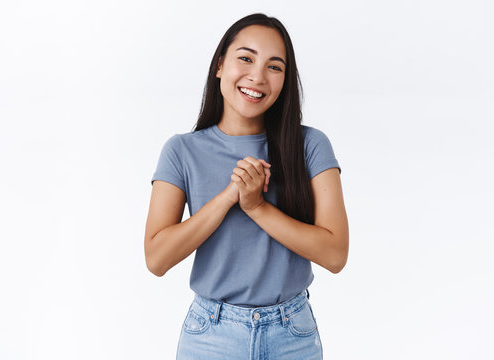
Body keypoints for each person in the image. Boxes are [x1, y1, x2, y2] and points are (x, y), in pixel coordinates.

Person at [144, 13, 349, 360]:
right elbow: (157, 258)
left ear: (285, 80)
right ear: (220, 65)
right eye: (246, 58)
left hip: (292, 334)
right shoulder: (181, 151)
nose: (257, 76)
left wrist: (257, 207)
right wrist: (228, 197)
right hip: (210, 335)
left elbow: (335, 255)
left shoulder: (310, 145)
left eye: (275, 66)